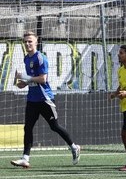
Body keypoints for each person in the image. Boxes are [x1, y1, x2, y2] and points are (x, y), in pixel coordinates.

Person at [11, 31, 80, 168]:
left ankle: (74, 147)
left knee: (54, 126)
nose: (27, 43)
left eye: (30, 41)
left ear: (36, 42)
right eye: (25, 41)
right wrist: (23, 83)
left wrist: (24, 77)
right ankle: (25, 158)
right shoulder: (26, 59)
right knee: (28, 127)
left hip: (45, 99)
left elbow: (43, 79)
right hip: (32, 99)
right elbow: (31, 79)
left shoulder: (41, 58)